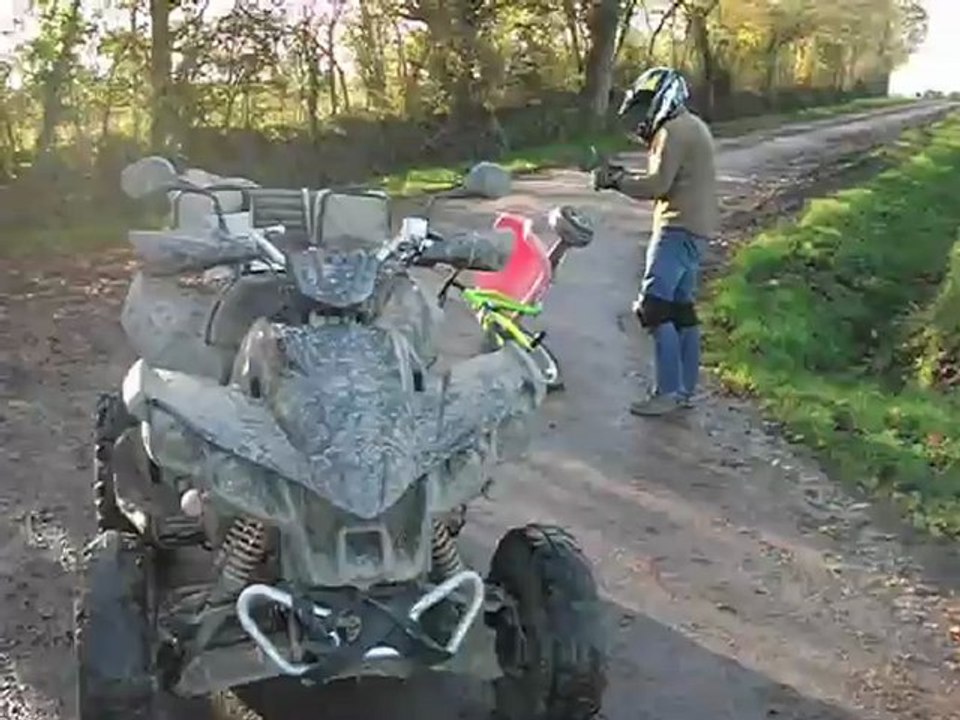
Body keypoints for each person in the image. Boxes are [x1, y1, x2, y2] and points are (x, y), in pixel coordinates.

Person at [592, 66, 719, 417]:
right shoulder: (693, 125)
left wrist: (615, 181)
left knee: (654, 307)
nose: (642, 116)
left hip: (677, 229)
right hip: (699, 229)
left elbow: (656, 185)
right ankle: (685, 390)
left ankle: (667, 392)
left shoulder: (673, 131)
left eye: (646, 104)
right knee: (681, 310)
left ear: (665, 97)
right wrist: (622, 176)